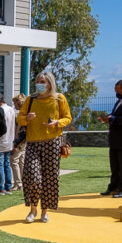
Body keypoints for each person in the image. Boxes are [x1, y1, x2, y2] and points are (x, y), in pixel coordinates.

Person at [16, 71, 72, 223]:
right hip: (33, 142)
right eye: (38, 81)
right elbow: (20, 119)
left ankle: (44, 211)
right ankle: (32, 209)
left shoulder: (59, 99)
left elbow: (67, 118)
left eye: (43, 81)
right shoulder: (31, 99)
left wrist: (57, 123)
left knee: (50, 178)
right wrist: (27, 118)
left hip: (52, 142)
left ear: (50, 83)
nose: (40, 84)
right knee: (31, 176)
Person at [0, 91, 17, 195]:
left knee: (0, 165)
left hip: (0, 140)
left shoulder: (0, 110)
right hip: (10, 140)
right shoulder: (11, 109)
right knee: (7, 165)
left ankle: (0, 188)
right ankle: (8, 187)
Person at [10, 93, 27, 191]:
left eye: (15, 103)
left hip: (20, 141)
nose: (14, 105)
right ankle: (23, 182)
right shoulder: (23, 114)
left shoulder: (22, 115)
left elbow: (21, 131)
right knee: (21, 162)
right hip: (24, 142)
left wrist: (15, 143)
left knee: (14, 161)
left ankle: (18, 183)